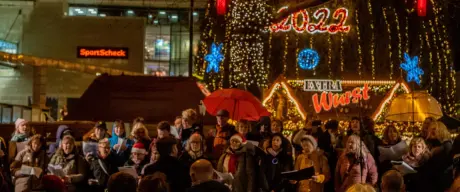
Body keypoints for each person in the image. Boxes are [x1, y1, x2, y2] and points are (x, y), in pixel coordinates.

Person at [419, 121, 453, 192]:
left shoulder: (446, 144)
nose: (432, 131)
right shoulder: (428, 143)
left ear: (441, 129)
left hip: (439, 183)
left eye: (434, 128)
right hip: (428, 182)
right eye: (430, 129)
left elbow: (448, 165)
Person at [317, 120, 339, 192]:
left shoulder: (334, 135)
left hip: (333, 160)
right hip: (327, 161)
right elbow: (322, 149)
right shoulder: (323, 136)